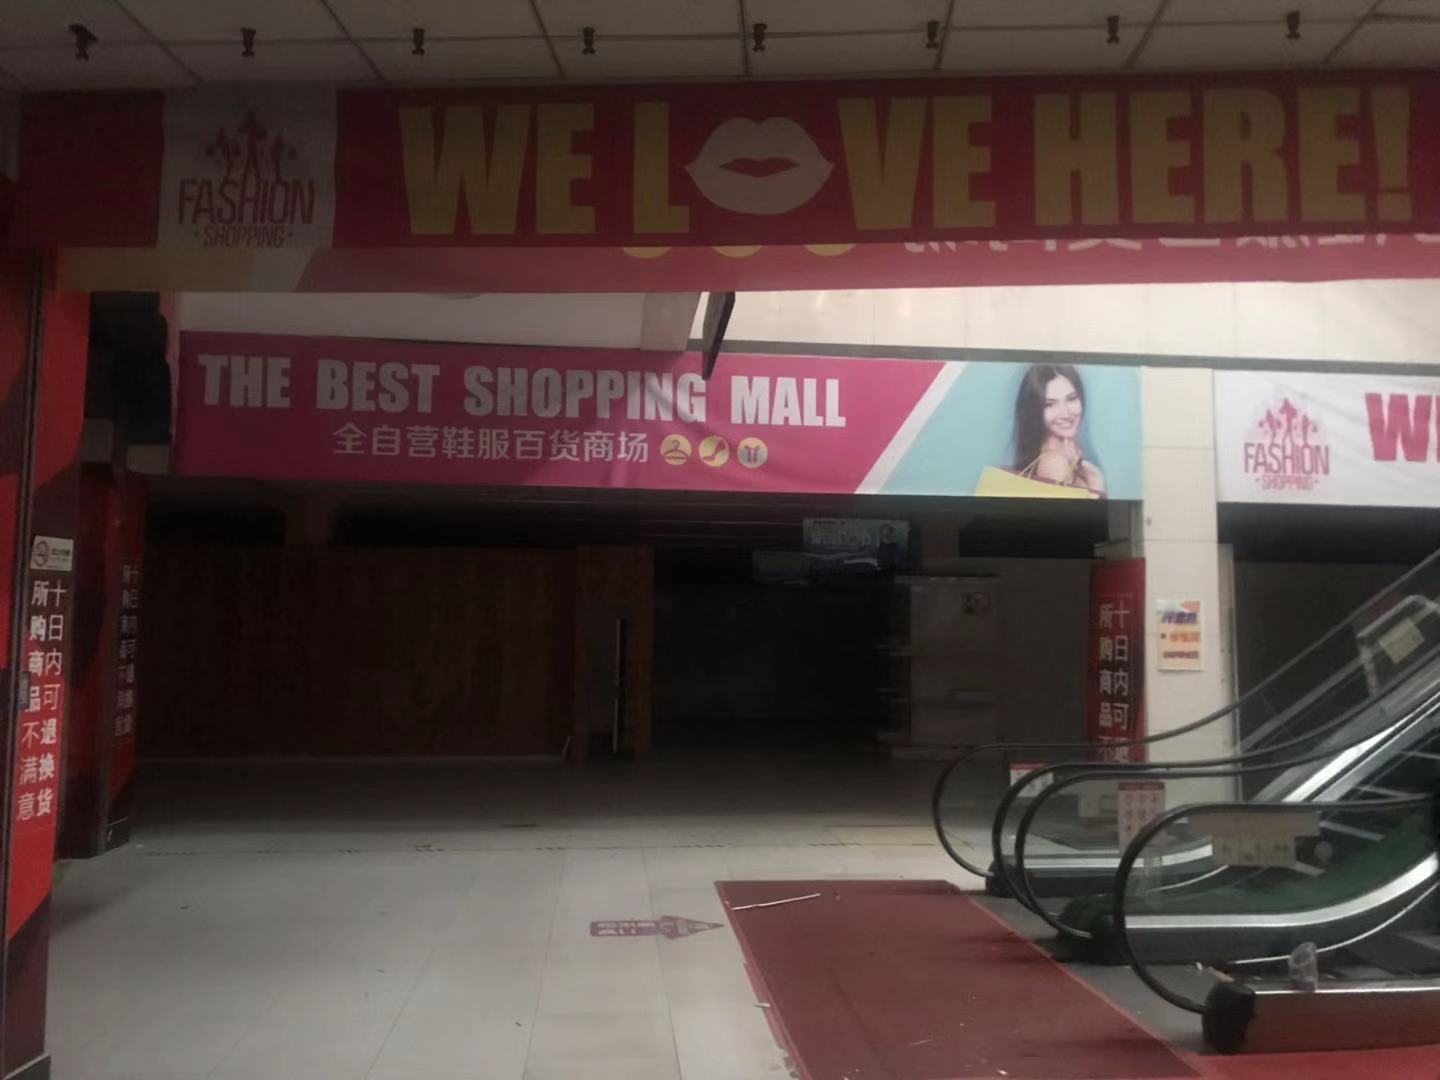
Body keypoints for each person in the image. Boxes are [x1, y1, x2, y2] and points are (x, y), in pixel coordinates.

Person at [1011, 363, 1106, 496]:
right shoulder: (1054, 463)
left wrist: (1081, 468)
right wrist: (1094, 479)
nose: (1065, 413)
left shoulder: (1068, 457)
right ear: (1034, 410)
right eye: (1050, 404)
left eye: (1071, 398)